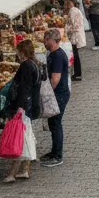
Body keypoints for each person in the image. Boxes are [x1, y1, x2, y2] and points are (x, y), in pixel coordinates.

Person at [1, 38, 40, 183]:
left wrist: (19, 107)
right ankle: (25, 170)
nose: (17, 55)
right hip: (29, 107)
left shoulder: (25, 66)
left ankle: (13, 172)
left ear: (23, 53)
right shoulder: (35, 64)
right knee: (27, 135)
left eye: (18, 52)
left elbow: (24, 89)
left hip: (23, 107)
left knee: (19, 137)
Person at [41, 29, 70, 167]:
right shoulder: (53, 54)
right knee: (53, 123)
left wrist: (48, 93)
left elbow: (55, 78)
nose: (44, 41)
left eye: (46, 39)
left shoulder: (58, 56)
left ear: (52, 40)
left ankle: (58, 156)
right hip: (58, 93)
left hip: (59, 94)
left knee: (56, 123)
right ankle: (54, 152)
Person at [65, 0, 86, 81]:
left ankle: (77, 74)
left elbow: (73, 25)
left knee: (76, 55)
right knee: (75, 55)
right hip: (77, 35)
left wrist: (65, 29)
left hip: (75, 36)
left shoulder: (72, 11)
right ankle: (77, 73)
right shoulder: (75, 10)